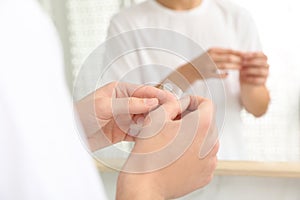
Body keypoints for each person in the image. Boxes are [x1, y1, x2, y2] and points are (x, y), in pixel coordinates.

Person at [0, 0, 219, 199]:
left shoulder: (24, 18)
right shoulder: (14, 19)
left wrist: (73, 130)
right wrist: (147, 184)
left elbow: (15, 155)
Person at [105, 0, 270, 160]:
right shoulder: (127, 23)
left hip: (231, 163)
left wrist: (251, 83)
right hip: (162, 169)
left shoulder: (236, 17)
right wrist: (189, 72)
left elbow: (258, 109)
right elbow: (126, 116)